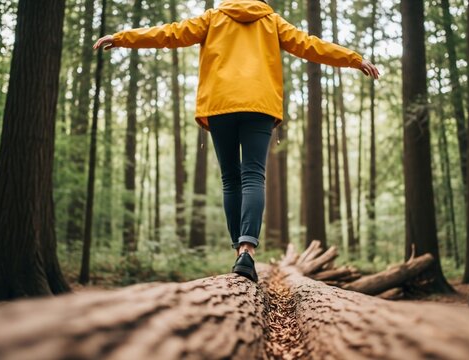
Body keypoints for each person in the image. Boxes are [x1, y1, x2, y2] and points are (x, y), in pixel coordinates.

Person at [94, 0, 379, 283]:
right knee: (253, 175)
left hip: (221, 106)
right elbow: (310, 45)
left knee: (231, 179)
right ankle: (247, 250)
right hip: (259, 106)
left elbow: (169, 33)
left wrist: (121, 39)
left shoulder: (213, 18)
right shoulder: (272, 21)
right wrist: (354, 59)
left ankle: (239, 255)